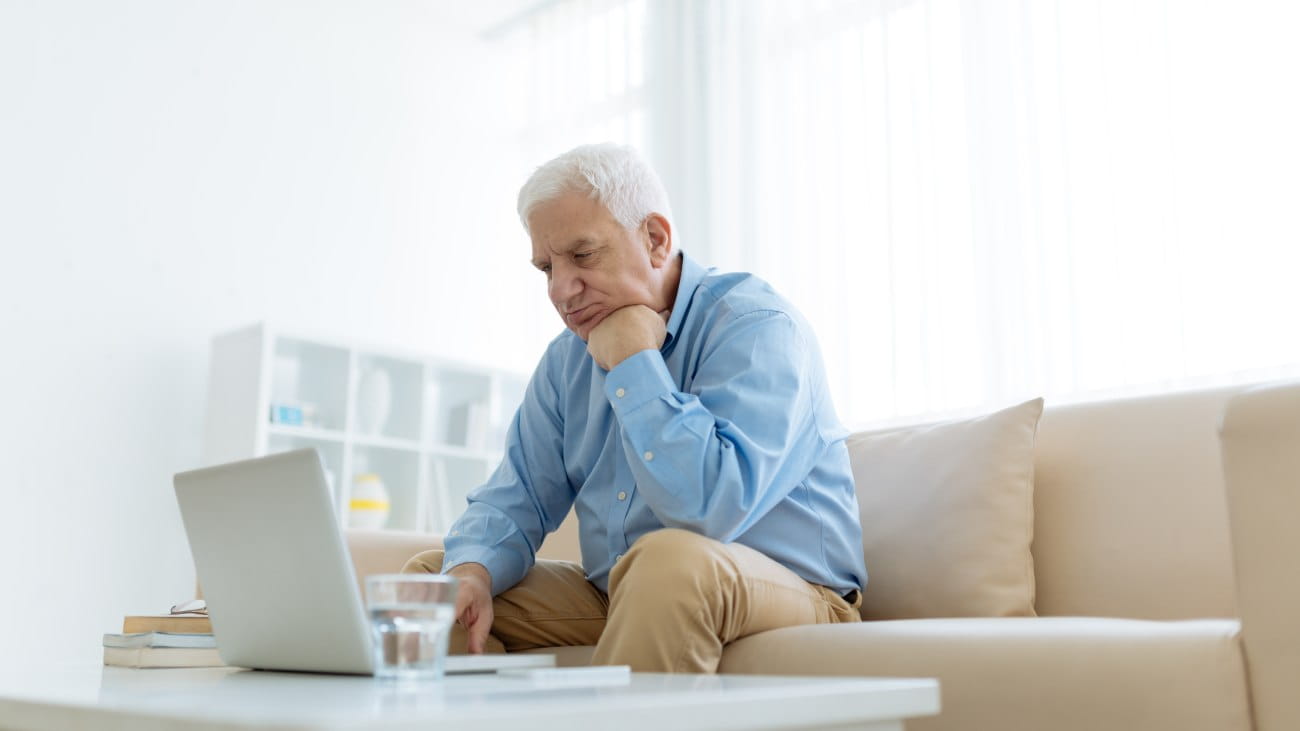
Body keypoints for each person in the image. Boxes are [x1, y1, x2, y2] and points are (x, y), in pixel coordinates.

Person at [403, 143, 866, 672]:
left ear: (655, 239)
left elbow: (709, 509)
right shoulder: (567, 360)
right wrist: (472, 569)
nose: (561, 289)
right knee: (434, 586)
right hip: (627, 591)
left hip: (797, 592)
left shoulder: (758, 327)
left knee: (668, 562)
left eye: (582, 255)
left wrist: (634, 364)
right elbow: (515, 497)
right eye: (545, 268)